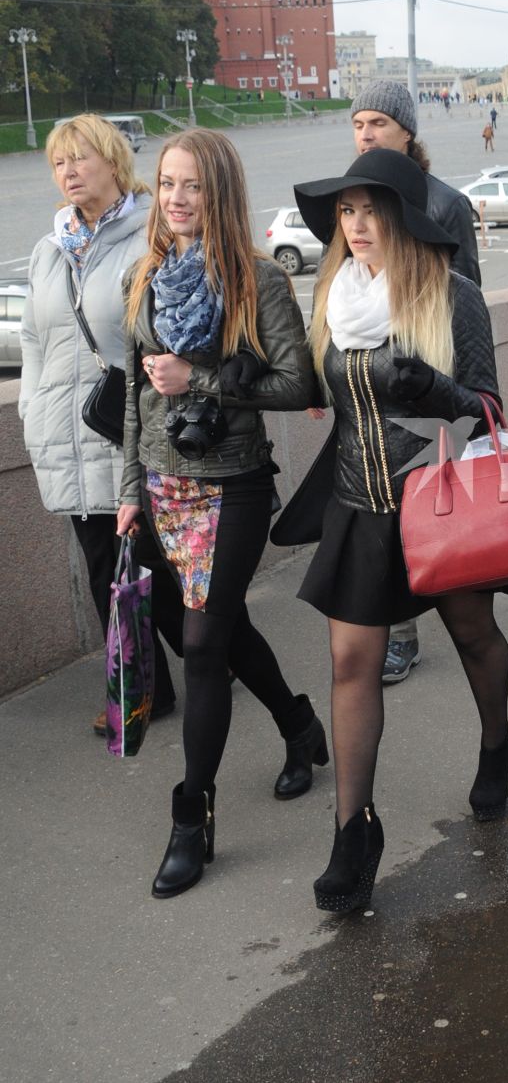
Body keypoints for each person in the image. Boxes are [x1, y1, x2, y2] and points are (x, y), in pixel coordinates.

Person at [288, 149, 508, 914]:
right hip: (357, 501)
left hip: (436, 498)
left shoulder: (455, 298)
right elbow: (318, 389)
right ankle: (354, 832)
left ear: (403, 218)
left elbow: (489, 410)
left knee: (474, 634)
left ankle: (495, 743)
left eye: (369, 210)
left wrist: (438, 387)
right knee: (352, 661)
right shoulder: (333, 298)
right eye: (345, 211)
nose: (355, 226)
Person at [117, 131, 322, 899]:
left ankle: (191, 821)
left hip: (231, 484)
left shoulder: (258, 280)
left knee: (202, 646)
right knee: (225, 630)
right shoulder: (145, 276)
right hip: (161, 490)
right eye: (167, 183)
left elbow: (301, 385)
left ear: (221, 193)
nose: (175, 199)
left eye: (192, 186)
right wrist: (126, 490)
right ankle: (299, 725)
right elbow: (135, 394)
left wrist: (199, 376)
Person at [19, 114, 183, 733]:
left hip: (130, 428)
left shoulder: (148, 238)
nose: (69, 172)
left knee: (151, 558)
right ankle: (143, 691)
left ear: (115, 162)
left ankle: (209, 650)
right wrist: (31, 406)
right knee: (102, 568)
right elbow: (34, 338)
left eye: (81, 158)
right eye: (60, 162)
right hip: (67, 432)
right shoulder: (48, 248)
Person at [347, 84, 478, 686]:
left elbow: (466, 294)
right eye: (358, 124)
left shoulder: (444, 202)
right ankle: (401, 632)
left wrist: (441, 381)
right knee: (383, 517)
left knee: (429, 509)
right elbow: (345, 288)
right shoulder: (354, 202)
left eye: (378, 122)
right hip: (369, 391)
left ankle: (459, 590)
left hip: (429, 386)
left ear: (407, 132)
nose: (366, 133)